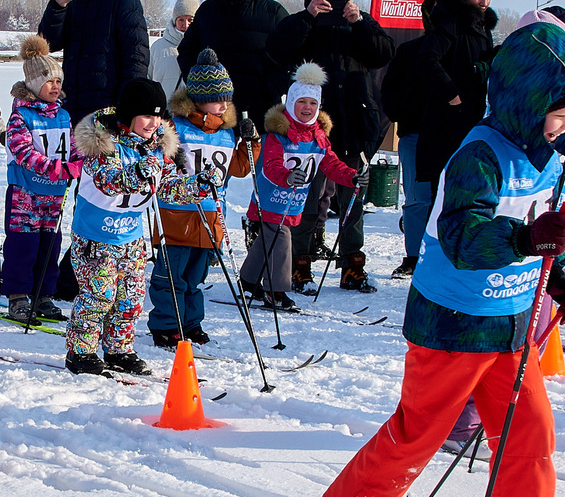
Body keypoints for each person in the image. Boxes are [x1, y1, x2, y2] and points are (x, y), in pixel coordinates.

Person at [313, 21, 565, 497]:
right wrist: (525, 242)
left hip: (512, 318)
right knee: (421, 430)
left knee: (529, 435)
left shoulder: (553, 145)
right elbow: (463, 237)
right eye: (562, 116)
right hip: (453, 318)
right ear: (525, 103)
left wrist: (560, 274)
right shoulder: (481, 157)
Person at [263, 0, 395, 291]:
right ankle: (299, 265)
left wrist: (360, 21)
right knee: (307, 197)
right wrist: (308, 18)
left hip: (352, 124)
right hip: (312, 127)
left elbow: (383, 53)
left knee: (353, 199)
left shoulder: (356, 19)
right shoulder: (302, 22)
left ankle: (353, 267)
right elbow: (276, 49)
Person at [381, 0, 493, 278]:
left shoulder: (464, 46)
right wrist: (406, 115)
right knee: (418, 199)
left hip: (454, 133)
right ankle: (413, 256)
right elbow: (390, 94)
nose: (435, 17)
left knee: (451, 197)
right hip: (416, 134)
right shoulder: (410, 52)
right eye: (431, 12)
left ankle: (445, 254)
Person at [65, 77, 175, 376]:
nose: (153, 123)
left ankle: (119, 349)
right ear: (128, 116)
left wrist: (199, 185)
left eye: (157, 115)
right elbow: (110, 181)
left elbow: (170, 185)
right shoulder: (104, 146)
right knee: (99, 296)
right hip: (96, 239)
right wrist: (141, 171)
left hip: (131, 239)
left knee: (131, 298)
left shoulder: (155, 151)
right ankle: (81, 351)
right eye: (146, 116)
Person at [148, 51, 252, 348]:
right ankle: (167, 324)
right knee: (171, 275)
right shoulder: (177, 127)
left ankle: (191, 322)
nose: (223, 104)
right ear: (198, 97)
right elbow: (158, 163)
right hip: (177, 212)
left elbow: (241, 169)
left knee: (194, 277)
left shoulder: (226, 134)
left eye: (226, 98)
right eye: (217, 97)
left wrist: (251, 142)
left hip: (210, 215)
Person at [239, 63, 359, 308]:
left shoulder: (319, 136)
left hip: (294, 201)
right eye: (302, 102)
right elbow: (270, 166)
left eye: (313, 103)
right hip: (271, 197)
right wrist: (286, 176)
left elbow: (331, 164)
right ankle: (277, 290)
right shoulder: (277, 134)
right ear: (291, 103)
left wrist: (352, 177)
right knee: (281, 237)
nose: (307, 108)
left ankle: (249, 281)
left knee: (269, 238)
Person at [37, 0, 151, 126]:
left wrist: (126, 104)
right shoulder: (70, 2)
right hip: (71, 105)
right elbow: (47, 43)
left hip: (107, 107)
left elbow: (136, 57)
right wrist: (59, 4)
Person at [2, 36, 76, 326]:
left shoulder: (64, 114)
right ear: (33, 84)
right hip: (26, 192)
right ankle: (18, 294)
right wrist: (54, 168)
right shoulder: (21, 116)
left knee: (51, 242)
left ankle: (44, 293)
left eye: (58, 81)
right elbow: (22, 151)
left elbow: (74, 144)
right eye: (48, 81)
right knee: (24, 243)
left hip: (54, 195)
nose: (55, 86)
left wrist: (78, 161)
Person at [176, 0, 288, 119]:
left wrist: (272, 87)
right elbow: (186, 51)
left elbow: (290, 58)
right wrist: (199, 85)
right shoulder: (207, 12)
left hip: (260, 111)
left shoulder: (273, 13)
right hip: (213, 114)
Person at [148, 0, 201, 92]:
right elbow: (147, 79)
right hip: (164, 106)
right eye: (181, 19)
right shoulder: (157, 47)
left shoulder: (202, 48)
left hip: (193, 107)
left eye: (190, 20)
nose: (185, 25)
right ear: (174, 20)